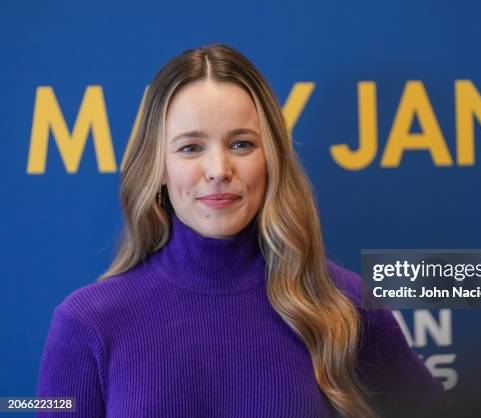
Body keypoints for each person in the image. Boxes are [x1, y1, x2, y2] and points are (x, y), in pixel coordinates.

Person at [36, 43, 443, 418]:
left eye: (242, 144)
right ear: (158, 167)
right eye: (191, 147)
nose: (218, 171)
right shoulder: (85, 324)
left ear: (272, 158)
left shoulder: (348, 307)